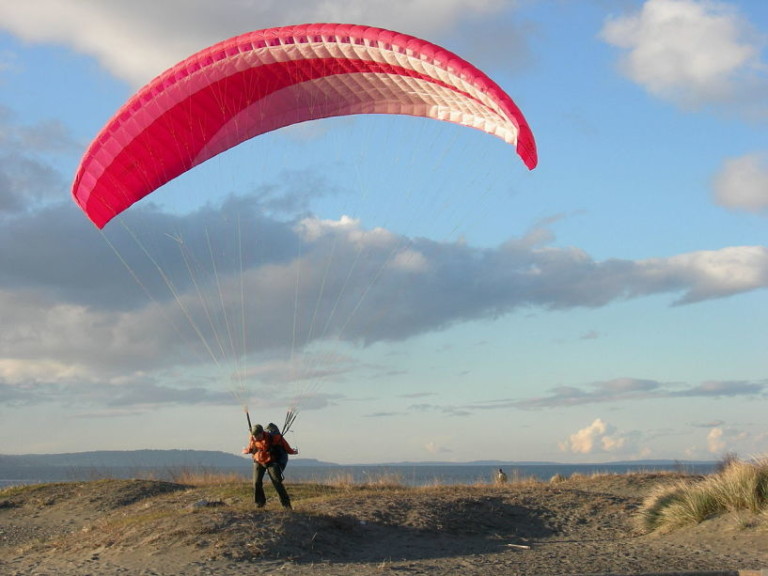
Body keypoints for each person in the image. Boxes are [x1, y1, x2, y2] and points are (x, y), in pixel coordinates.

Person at [243, 423, 298, 509]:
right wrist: (246, 451)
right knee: (256, 482)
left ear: (261, 433)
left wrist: (292, 451)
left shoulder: (275, 438)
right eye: (254, 436)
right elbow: (250, 448)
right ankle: (260, 504)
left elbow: (286, 447)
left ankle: (286, 506)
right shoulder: (253, 439)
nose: (255, 438)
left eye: (257, 436)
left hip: (272, 461)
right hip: (259, 461)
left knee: (276, 482)